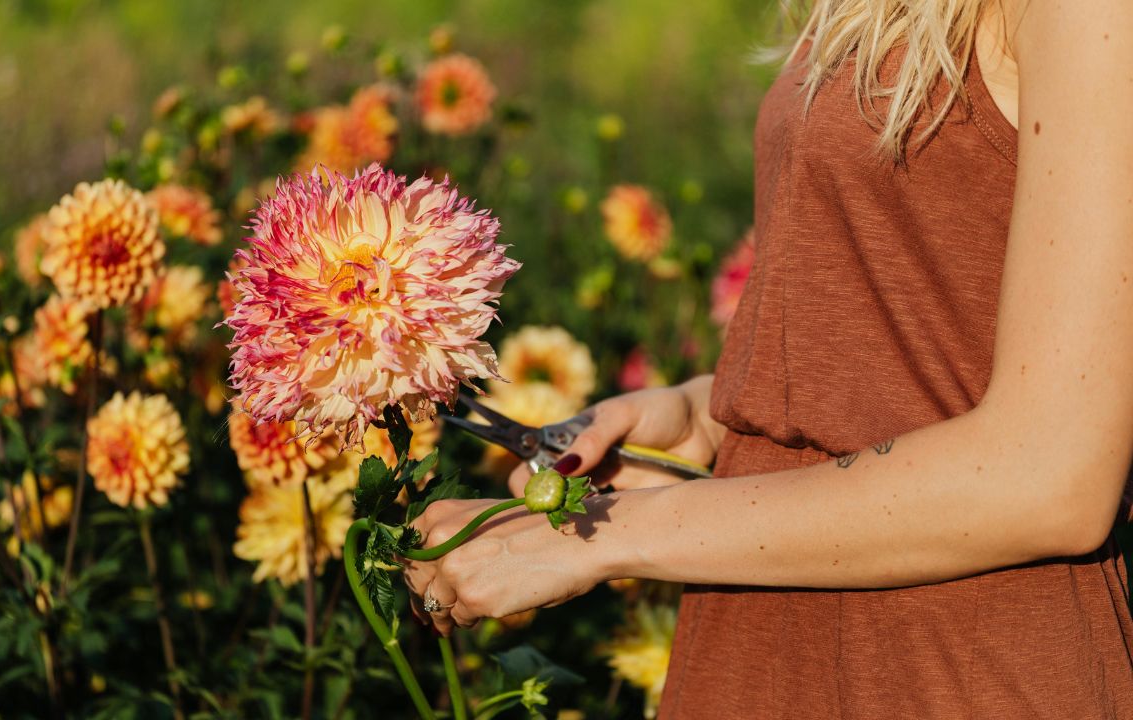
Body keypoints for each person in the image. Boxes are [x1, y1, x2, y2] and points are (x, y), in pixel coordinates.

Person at [403, 0, 1133, 716]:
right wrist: (710, 418)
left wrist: (605, 534)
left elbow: (1050, 474)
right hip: (761, 645)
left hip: (951, 666)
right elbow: (915, 337)